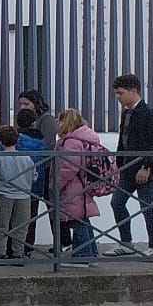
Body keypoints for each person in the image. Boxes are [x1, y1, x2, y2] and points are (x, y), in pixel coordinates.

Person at [54, 109, 109, 266]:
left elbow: (68, 167)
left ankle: (81, 257)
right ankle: (91, 254)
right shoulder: (87, 139)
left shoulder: (71, 142)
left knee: (76, 221)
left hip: (73, 186)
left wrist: (55, 185)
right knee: (83, 219)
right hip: (85, 184)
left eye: (59, 120)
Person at [0, 126, 38, 262]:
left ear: (0, 141)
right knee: (21, 227)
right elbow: (34, 176)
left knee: (1, 225)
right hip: (24, 196)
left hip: (4, 195)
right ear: (17, 140)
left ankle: (1, 252)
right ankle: (18, 252)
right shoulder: (26, 158)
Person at [111, 73, 153, 255]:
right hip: (127, 169)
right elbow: (123, 141)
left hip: (145, 171)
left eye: (120, 93)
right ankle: (126, 243)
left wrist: (147, 167)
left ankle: (152, 245)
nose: (117, 97)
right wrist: (119, 164)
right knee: (117, 203)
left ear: (133, 91)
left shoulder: (148, 114)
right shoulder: (126, 113)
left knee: (148, 208)